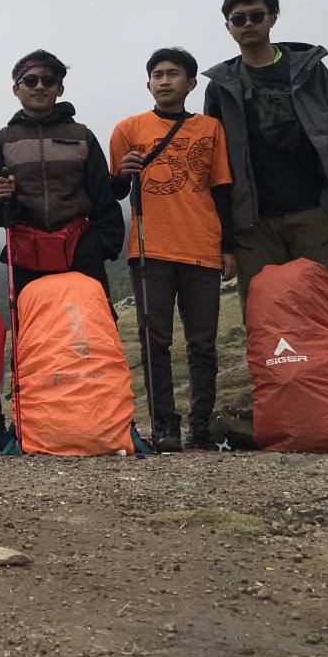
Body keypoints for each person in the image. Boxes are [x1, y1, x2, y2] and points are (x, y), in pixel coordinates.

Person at [203, 0, 328, 386]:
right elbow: (214, 157)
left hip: (314, 210)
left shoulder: (307, 68)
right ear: (228, 27)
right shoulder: (220, 86)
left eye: (257, 16)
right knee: (263, 316)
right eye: (239, 19)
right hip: (254, 223)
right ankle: (280, 405)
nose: (248, 24)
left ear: (272, 18)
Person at [109, 47, 236, 451]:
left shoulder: (210, 128)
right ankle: (165, 424)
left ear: (191, 83)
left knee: (203, 342)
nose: (165, 81)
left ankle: (200, 427)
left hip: (201, 246)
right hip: (150, 249)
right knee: (154, 340)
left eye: (173, 74)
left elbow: (222, 190)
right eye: (157, 74)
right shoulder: (128, 128)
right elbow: (111, 190)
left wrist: (228, 247)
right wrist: (124, 173)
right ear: (148, 82)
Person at [0, 49, 125, 301]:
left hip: (82, 250)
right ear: (16, 89)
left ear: (60, 89)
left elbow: (102, 195)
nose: (40, 87)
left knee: (89, 329)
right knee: (35, 332)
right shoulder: (0, 142)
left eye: (49, 81)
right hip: (25, 254)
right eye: (31, 81)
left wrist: (103, 246)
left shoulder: (82, 136)